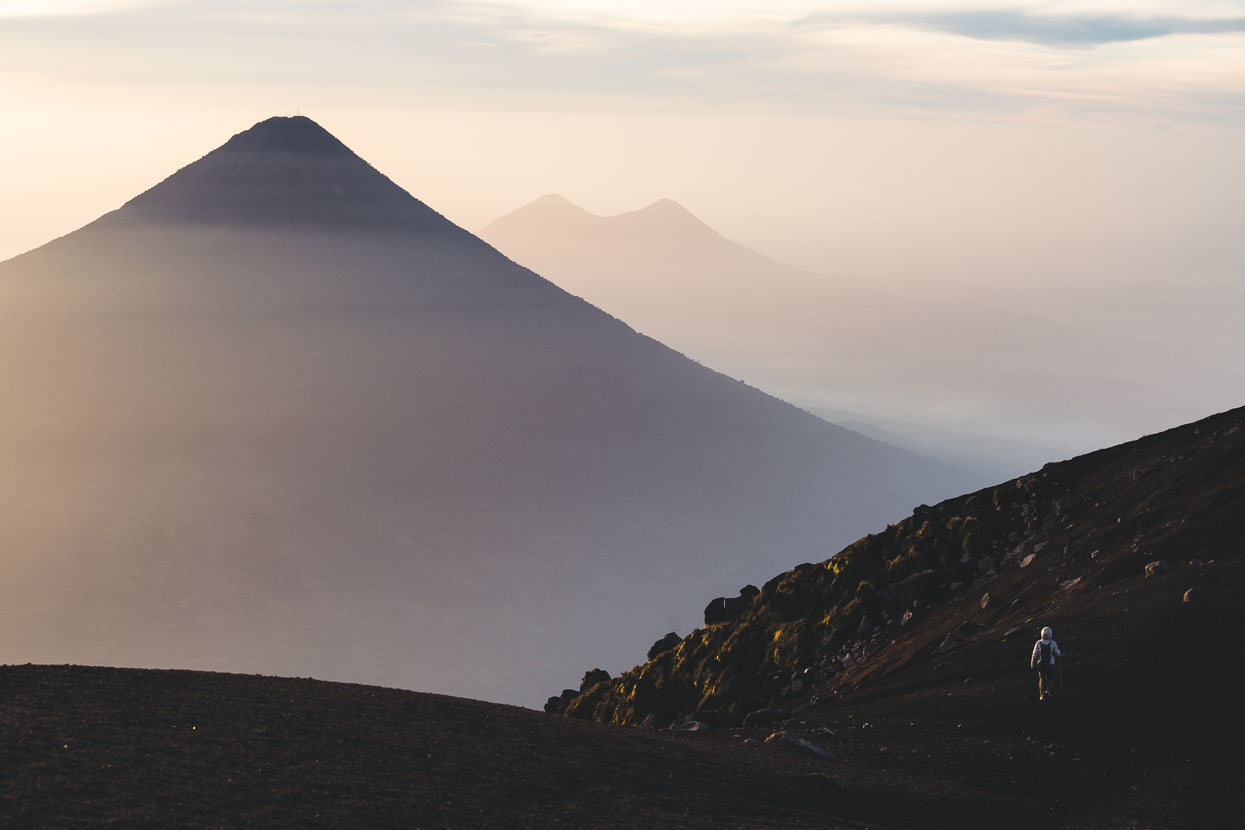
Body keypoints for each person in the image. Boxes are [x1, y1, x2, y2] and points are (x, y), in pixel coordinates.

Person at [1030, 626, 1062, 701]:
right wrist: (1059, 652)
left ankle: (1042, 695)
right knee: (1050, 677)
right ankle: (1048, 690)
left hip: (1040, 664)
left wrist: (1032, 664)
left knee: (1042, 679)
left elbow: (1035, 655)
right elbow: (1057, 654)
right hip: (1051, 664)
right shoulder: (1053, 643)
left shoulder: (1038, 643)